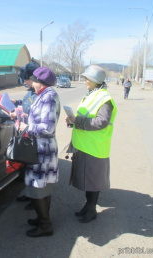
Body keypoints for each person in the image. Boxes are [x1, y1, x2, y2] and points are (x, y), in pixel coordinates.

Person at [65, 65, 117, 223]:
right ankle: (88, 207)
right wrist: (72, 121)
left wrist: (77, 121)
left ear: (96, 80)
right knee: (88, 181)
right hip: (85, 145)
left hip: (95, 147)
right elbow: (85, 117)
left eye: (88, 78)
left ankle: (92, 210)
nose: (84, 80)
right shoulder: (91, 95)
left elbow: (101, 122)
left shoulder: (104, 99)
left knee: (93, 182)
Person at [19, 66, 61, 237]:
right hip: (40, 148)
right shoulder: (43, 95)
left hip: (42, 149)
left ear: (41, 83)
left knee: (37, 189)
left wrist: (27, 128)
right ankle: (42, 218)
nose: (32, 83)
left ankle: (45, 225)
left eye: (34, 80)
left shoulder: (49, 97)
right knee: (41, 187)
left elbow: (47, 127)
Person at [11, 62, 39, 210]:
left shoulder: (39, 94)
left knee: (34, 169)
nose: (24, 82)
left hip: (34, 134)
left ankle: (36, 200)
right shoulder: (30, 92)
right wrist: (17, 103)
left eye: (26, 79)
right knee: (27, 168)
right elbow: (26, 103)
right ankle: (29, 194)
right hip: (26, 134)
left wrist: (24, 116)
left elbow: (36, 115)